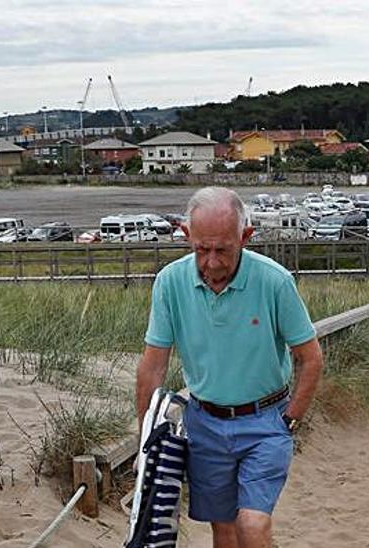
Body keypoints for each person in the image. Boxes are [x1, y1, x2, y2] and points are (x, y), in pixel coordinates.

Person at [137, 187, 325, 548]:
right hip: (204, 423)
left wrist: (291, 419)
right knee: (223, 530)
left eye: (222, 249)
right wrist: (146, 438)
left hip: (267, 421)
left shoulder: (274, 281)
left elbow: (311, 357)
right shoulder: (169, 283)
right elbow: (152, 368)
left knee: (252, 525)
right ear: (186, 235)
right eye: (201, 249)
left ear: (246, 237)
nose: (211, 262)